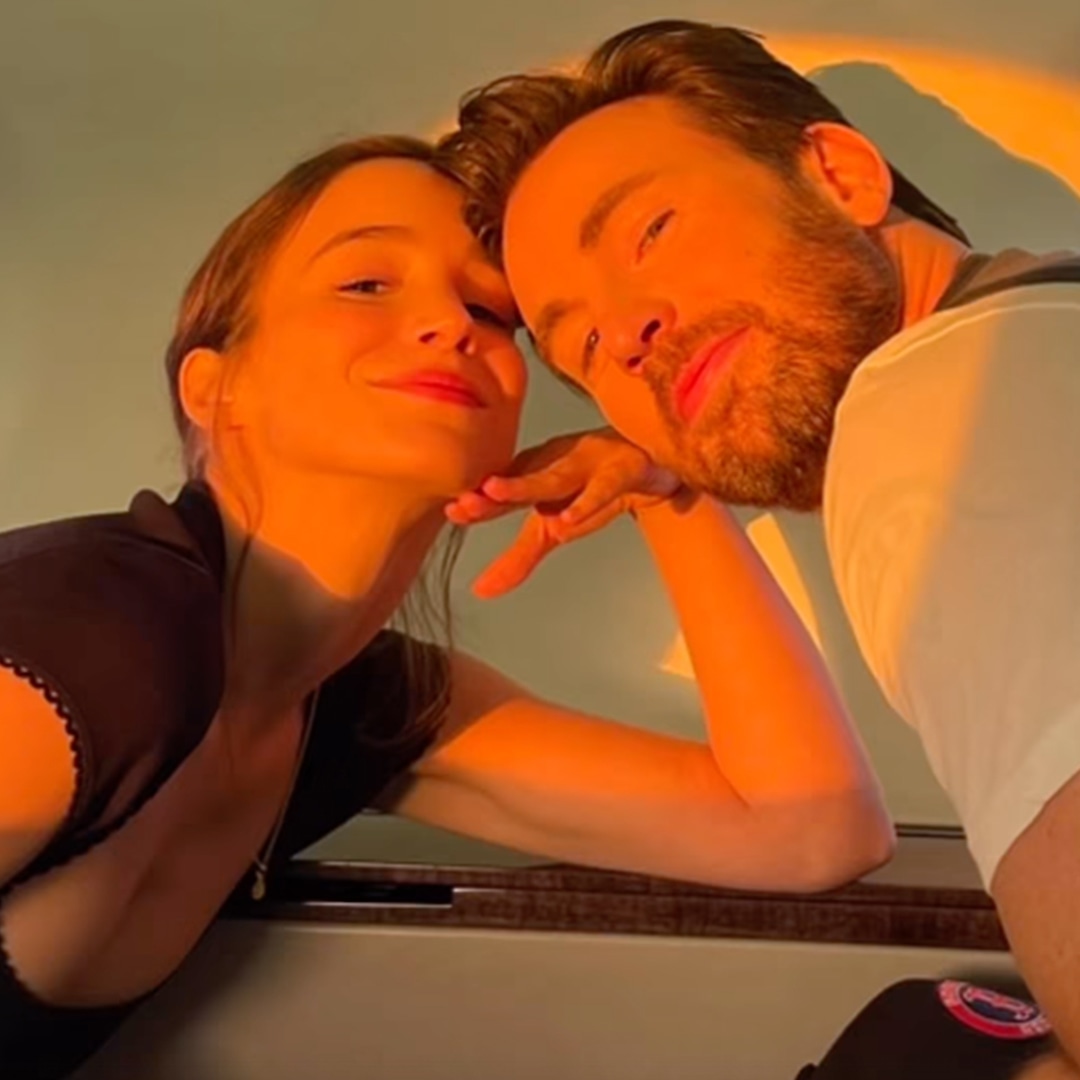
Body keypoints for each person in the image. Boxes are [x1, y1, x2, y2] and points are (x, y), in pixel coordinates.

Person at [0, 135, 892, 1079]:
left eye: (488, 310)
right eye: (365, 285)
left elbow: (812, 832)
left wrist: (664, 485)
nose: (448, 324)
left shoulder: (355, 706)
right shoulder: (96, 635)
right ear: (217, 390)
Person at [436, 18, 1080, 1077]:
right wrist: (668, 482)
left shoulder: (935, 412)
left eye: (650, 230)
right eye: (582, 344)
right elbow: (812, 832)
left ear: (840, 175)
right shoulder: (1041, 324)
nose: (626, 334)